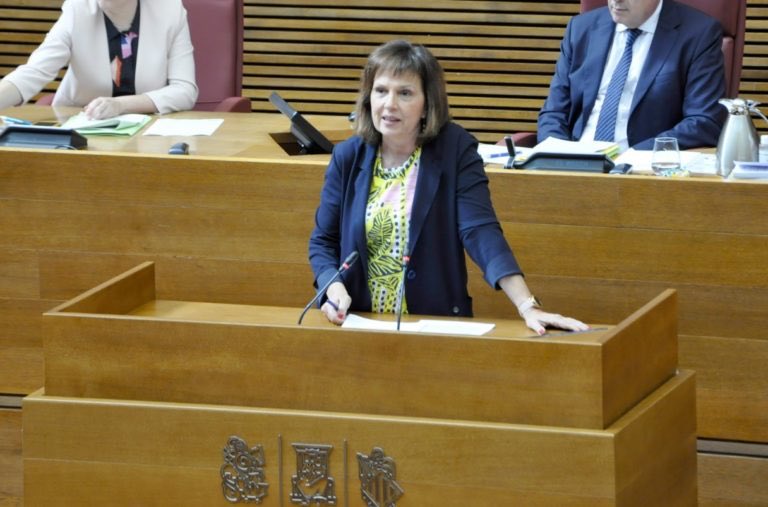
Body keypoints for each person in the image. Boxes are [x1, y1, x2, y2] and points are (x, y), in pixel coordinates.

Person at [308, 39, 588, 336]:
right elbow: (323, 241)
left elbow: (480, 231)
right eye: (381, 91)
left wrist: (527, 305)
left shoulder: (455, 150)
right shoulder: (349, 156)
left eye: (404, 93)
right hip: (357, 322)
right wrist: (333, 285)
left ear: (428, 103)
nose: (389, 104)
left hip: (432, 325)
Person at [537, 0, 726, 152]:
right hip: (576, 163)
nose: (616, 1)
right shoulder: (581, 29)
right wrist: (559, 155)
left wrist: (631, 157)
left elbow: (704, 121)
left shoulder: (698, 33)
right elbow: (554, 112)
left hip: (643, 169)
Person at [0, 0, 197, 119]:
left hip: (149, 132)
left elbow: (185, 91)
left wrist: (121, 105)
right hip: (80, 128)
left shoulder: (169, 10)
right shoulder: (78, 8)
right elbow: (33, 72)